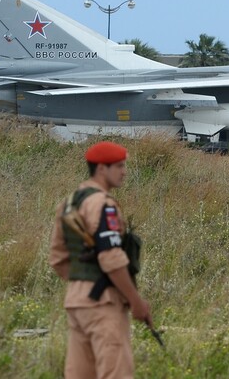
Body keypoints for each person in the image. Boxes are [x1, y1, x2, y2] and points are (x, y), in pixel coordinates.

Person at [49, 141, 152, 378]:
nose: (124, 171)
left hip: (76, 302)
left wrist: (82, 284)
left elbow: (57, 257)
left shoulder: (69, 203)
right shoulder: (103, 204)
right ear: (101, 169)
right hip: (104, 305)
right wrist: (135, 301)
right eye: (119, 166)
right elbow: (111, 257)